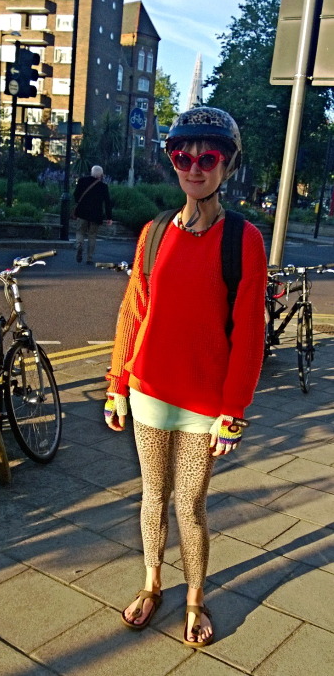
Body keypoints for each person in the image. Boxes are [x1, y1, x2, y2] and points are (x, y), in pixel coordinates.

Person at [104, 107, 267, 647]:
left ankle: (194, 598)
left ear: (227, 165)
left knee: (188, 503)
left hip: (204, 404)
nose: (194, 167)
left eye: (208, 157)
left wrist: (234, 413)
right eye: (182, 156)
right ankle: (152, 584)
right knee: (152, 495)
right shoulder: (153, 233)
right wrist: (116, 384)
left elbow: (248, 332)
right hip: (149, 390)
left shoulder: (242, 239)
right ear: (172, 161)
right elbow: (133, 310)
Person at [73, 165, 112, 264]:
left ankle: (79, 246)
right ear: (101, 175)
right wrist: (109, 217)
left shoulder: (82, 181)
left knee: (80, 232)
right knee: (92, 235)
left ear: (91, 172)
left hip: (82, 212)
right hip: (96, 215)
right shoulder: (103, 187)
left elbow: (76, 196)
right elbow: (107, 202)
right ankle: (89, 258)